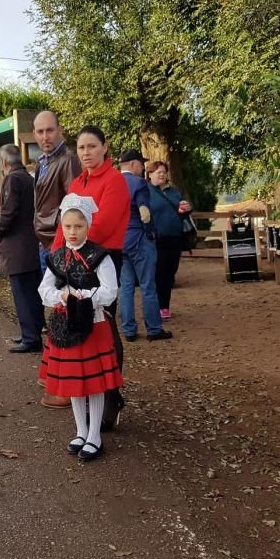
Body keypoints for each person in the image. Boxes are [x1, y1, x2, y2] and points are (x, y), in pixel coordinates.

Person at [51, 126, 130, 428]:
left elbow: (103, 226)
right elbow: (64, 225)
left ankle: (111, 398)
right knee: (78, 328)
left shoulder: (114, 181)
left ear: (105, 147)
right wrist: (57, 261)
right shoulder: (76, 183)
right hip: (73, 261)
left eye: (92, 146)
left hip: (102, 260)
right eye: (81, 148)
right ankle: (86, 397)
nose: (86, 153)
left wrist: (73, 252)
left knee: (104, 328)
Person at [38, 194, 122, 462]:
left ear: (88, 225)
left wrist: (86, 296)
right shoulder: (57, 256)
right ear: (61, 227)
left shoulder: (100, 256)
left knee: (94, 384)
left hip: (93, 325)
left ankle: (95, 435)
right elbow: (44, 289)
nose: (72, 232)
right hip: (66, 328)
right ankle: (80, 430)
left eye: (78, 226)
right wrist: (59, 297)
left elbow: (110, 291)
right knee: (74, 383)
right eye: (67, 227)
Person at [118, 150, 172, 342]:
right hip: (139, 238)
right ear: (133, 164)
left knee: (125, 287)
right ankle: (154, 329)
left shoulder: (113, 183)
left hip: (120, 240)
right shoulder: (138, 183)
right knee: (148, 285)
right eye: (141, 164)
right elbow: (145, 213)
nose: (142, 168)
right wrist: (150, 233)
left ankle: (129, 330)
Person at [0, 144, 44, 354]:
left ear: (4, 162)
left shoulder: (12, 179)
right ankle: (33, 331)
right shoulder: (28, 178)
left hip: (16, 246)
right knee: (32, 292)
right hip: (31, 242)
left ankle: (30, 338)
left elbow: (8, 213)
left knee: (22, 294)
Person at [33, 111, 82, 271]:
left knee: (61, 295)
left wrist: (64, 240)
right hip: (45, 241)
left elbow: (74, 205)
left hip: (59, 243)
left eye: (50, 130)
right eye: (40, 132)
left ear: (59, 130)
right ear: (34, 134)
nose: (45, 136)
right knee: (49, 295)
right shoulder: (42, 162)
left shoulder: (68, 160)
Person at [147, 160, 192, 319]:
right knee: (158, 273)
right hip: (156, 240)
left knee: (170, 273)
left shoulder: (173, 192)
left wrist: (186, 208)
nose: (161, 174)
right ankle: (157, 306)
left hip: (175, 238)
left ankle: (165, 306)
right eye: (158, 172)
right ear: (150, 174)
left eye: (164, 172)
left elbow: (181, 210)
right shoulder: (146, 192)